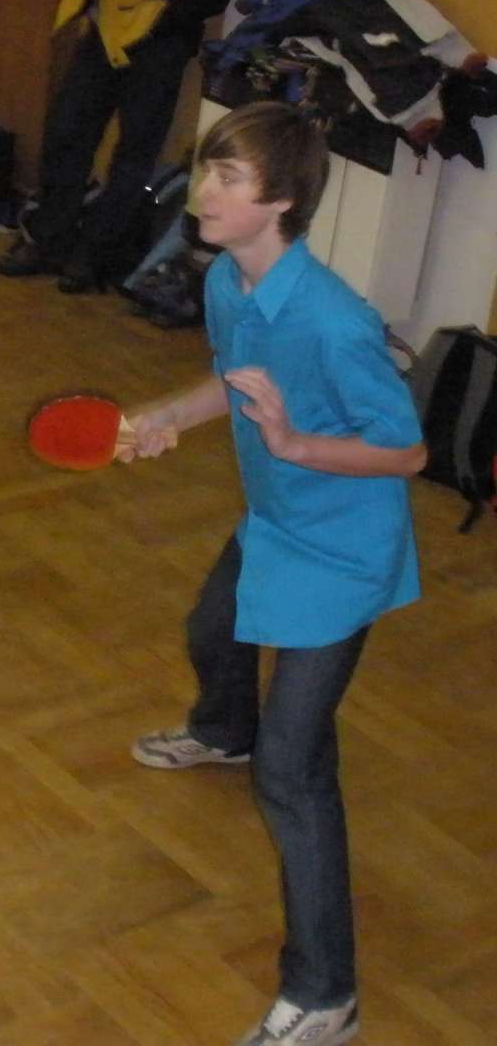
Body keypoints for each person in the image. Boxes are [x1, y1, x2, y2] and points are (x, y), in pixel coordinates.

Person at [122, 101, 426, 1046]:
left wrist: (293, 443)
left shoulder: (337, 323)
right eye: (206, 168)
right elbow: (234, 377)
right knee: (210, 630)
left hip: (342, 554)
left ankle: (326, 994)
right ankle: (223, 730)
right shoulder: (228, 280)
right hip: (275, 522)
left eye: (228, 178)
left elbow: (407, 452)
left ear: (282, 201)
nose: (203, 191)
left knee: (293, 772)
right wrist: (166, 416)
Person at [0, 0, 242, 293]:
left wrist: (171, 21)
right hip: (103, 31)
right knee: (66, 133)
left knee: (134, 156)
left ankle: (94, 257)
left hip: (158, 42)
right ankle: (47, 241)